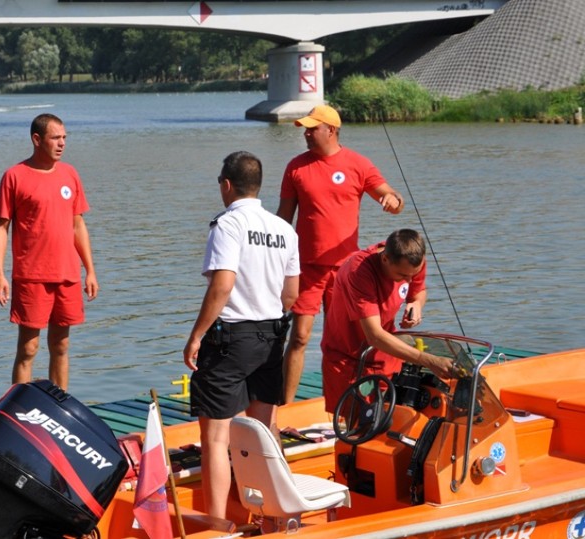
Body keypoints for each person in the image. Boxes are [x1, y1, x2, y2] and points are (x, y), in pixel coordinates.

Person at [183, 151, 300, 520]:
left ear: (227, 185)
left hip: (230, 339)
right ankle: (278, 517)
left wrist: (197, 335)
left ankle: (218, 525)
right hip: (271, 337)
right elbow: (291, 294)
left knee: (216, 440)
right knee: (264, 432)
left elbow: (222, 286)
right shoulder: (284, 229)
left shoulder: (228, 225)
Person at [277, 104, 405, 404]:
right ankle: (284, 408)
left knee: (352, 342)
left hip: (348, 272)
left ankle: (356, 401)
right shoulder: (296, 167)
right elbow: (283, 219)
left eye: (312, 129)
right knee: (299, 337)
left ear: (331, 130)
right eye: (306, 130)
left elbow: (393, 197)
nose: (307, 134)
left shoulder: (358, 165)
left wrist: (390, 199)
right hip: (307, 267)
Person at [0, 113, 98, 391]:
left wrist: (90, 270)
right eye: (55, 138)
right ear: (37, 139)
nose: (62, 143)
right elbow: (1, 228)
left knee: (61, 345)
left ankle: (59, 403)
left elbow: (78, 225)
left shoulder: (70, 174)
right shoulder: (14, 176)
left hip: (67, 274)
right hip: (31, 276)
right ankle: (18, 411)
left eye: (64, 138)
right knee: (28, 348)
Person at [321, 229, 456, 413]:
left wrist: (416, 303)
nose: (408, 280)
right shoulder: (359, 272)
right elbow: (374, 336)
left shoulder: (413, 259)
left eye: (412, 274)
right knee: (357, 427)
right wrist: (429, 360)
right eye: (402, 276)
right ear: (385, 259)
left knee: (389, 419)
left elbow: (418, 292)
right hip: (348, 358)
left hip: (385, 356)